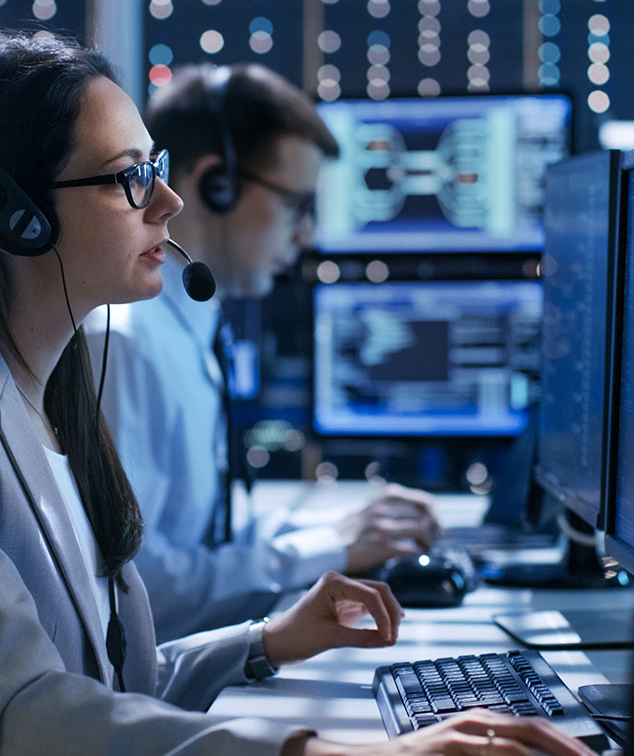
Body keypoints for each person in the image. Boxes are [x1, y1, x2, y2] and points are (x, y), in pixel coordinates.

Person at [0, 30, 600, 756]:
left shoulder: (61, 393)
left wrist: (266, 640)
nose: (166, 202)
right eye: (129, 178)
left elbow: (109, 679)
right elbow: (26, 714)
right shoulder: (97, 366)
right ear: (22, 216)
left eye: (159, 168)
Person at [84, 61, 441, 643]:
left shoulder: (192, 328)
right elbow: (136, 594)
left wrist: (340, 530)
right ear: (216, 185)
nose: (307, 236)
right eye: (297, 206)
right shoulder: (123, 346)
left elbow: (208, 534)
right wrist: (332, 546)